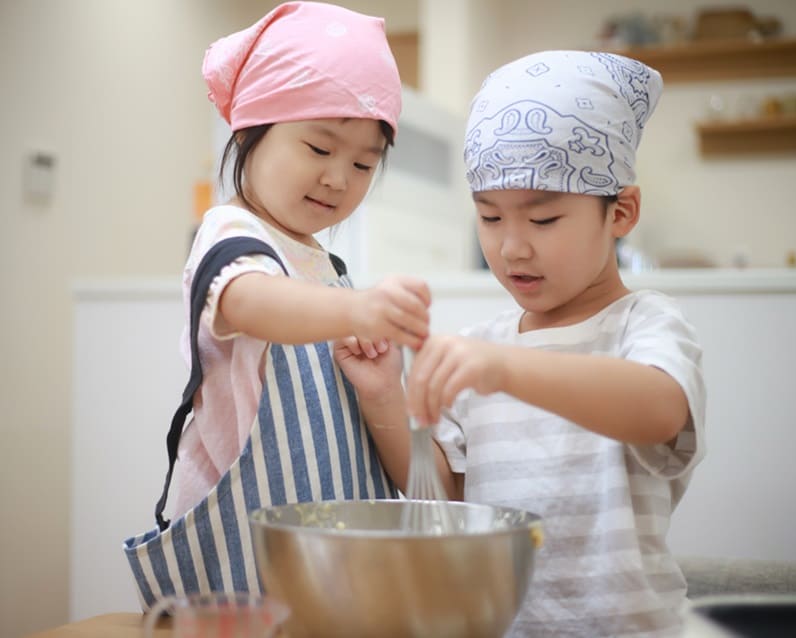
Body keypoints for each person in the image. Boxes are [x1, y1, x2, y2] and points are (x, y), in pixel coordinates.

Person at [368, 51, 707, 637]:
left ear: (620, 211)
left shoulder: (644, 324)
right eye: (490, 218)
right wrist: (381, 394)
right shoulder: (482, 348)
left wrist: (507, 370)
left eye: (543, 220)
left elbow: (658, 409)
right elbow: (447, 501)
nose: (511, 249)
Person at [123, 1, 428, 610]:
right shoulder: (231, 234)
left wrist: (384, 385)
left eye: (364, 163)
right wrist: (359, 312)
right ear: (250, 133)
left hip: (330, 572)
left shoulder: (327, 269)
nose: (339, 178)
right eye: (318, 148)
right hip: (242, 575)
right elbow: (250, 300)